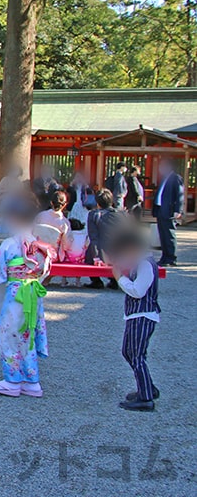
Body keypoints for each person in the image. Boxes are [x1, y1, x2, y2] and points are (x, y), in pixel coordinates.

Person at [0, 198, 56, 398]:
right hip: (32, 293)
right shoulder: (40, 245)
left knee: (9, 335)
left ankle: (12, 380)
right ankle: (31, 380)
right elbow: (44, 272)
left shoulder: (10, 245)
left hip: (16, 295)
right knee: (27, 335)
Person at [106, 229, 161, 411]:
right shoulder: (140, 260)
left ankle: (145, 398)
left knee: (136, 355)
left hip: (142, 315)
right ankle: (147, 388)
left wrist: (120, 278)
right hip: (136, 315)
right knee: (129, 352)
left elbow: (138, 291)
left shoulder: (145, 265)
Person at [85, 189, 126, 289]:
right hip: (119, 254)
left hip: (102, 253)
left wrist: (96, 257)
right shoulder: (122, 214)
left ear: (98, 203)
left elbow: (93, 237)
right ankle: (114, 280)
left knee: (88, 251)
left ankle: (96, 280)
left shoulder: (94, 215)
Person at [152, 158, 183, 267]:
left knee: (169, 234)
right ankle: (164, 257)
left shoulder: (176, 178)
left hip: (169, 210)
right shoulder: (164, 178)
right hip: (160, 209)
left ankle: (171, 258)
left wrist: (178, 210)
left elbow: (180, 195)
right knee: (163, 234)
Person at [34, 191, 70, 261]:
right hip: (53, 256)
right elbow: (66, 245)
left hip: (37, 253)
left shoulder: (40, 216)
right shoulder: (64, 223)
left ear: (51, 202)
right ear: (65, 205)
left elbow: (32, 233)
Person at [0, 164, 27, 235]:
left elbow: (21, 194)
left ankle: (10, 240)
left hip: (14, 204)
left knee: (12, 223)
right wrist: (8, 191)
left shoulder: (19, 183)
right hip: (3, 202)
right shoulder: (5, 179)